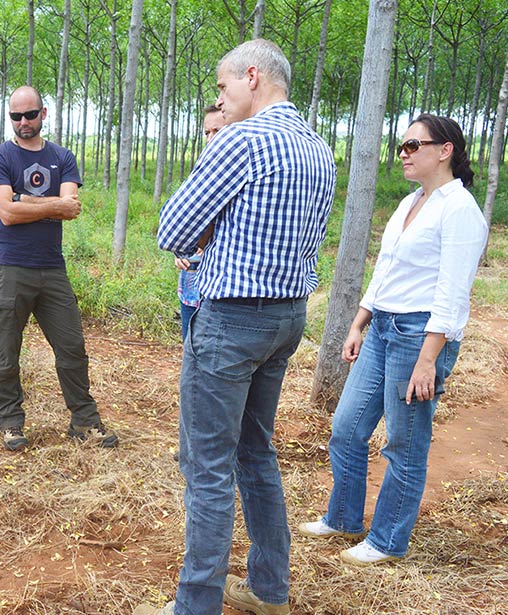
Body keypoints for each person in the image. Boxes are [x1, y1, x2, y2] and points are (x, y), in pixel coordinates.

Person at [141, 39, 337, 615]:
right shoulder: (317, 148)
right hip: (285, 318)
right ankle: (270, 590)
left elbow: (174, 230)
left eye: (223, 88)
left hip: (229, 320)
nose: (220, 102)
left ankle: (195, 606)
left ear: (253, 76)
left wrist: (210, 235)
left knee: (207, 469)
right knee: (255, 453)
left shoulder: (242, 142)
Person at [297, 114, 488, 566]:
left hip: (420, 336)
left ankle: (386, 540)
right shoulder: (409, 204)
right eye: (400, 147)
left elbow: (452, 292)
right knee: (346, 428)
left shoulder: (460, 210)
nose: (403, 153)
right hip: (384, 327)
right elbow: (386, 270)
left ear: (445, 151)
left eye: (412, 146)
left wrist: (428, 361)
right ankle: (344, 516)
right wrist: (359, 322)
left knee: (404, 442)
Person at [0, 85, 117, 452]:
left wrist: (23, 198)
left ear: (44, 113)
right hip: (9, 266)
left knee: (72, 347)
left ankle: (84, 421)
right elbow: (6, 214)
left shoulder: (63, 157)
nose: (23, 122)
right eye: (15, 116)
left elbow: (72, 207)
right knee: (5, 351)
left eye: (30, 114)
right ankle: (10, 422)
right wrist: (46, 203)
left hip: (52, 269)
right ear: (9, 117)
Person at [174, 104, 225, 340]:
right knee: (191, 354)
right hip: (193, 283)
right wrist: (180, 252)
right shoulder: (201, 174)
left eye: (218, 131)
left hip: (223, 295)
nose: (211, 139)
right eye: (207, 133)